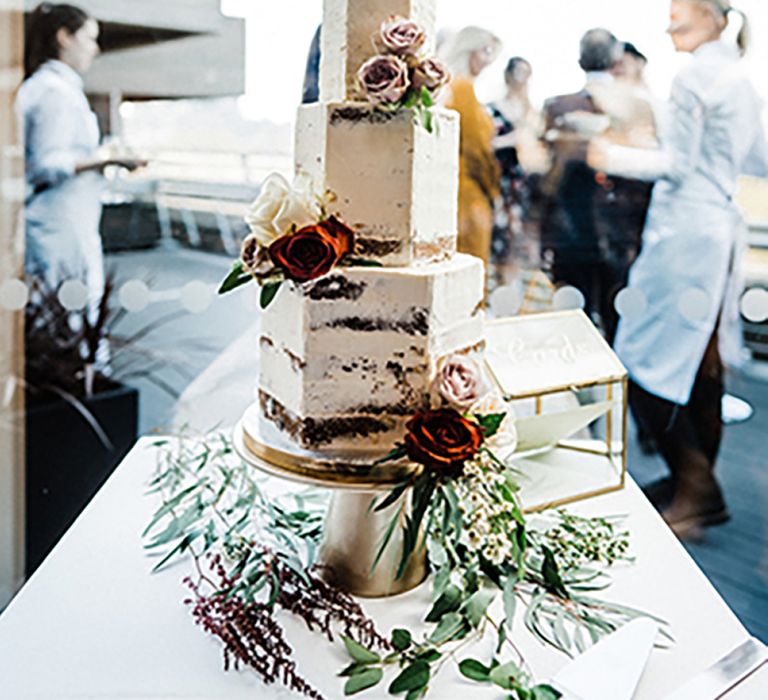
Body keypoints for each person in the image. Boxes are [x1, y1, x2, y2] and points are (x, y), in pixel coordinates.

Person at [594, 0, 768, 537]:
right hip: (717, 232)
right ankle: (689, 482)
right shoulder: (737, 78)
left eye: (680, 11)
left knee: (642, 359)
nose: (669, 21)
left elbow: (678, 166)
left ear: (715, 16)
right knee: (702, 363)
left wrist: (605, 154)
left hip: (684, 237)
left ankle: (695, 489)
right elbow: (755, 160)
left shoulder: (694, 75)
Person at [17, 3, 144, 314]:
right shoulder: (52, 92)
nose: (95, 49)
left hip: (67, 222)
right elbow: (45, 164)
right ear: (64, 37)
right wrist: (105, 160)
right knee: (68, 316)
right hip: (58, 224)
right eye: (89, 38)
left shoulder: (56, 88)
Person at [540, 28, 656, 342]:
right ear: (617, 60)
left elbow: (545, 178)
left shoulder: (557, 107)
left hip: (570, 233)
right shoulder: (639, 106)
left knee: (571, 321)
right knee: (619, 321)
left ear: (579, 61)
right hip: (622, 235)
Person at [439, 27, 502, 269]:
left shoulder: (453, 88)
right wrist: (493, 187)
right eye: (484, 51)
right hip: (469, 193)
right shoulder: (462, 88)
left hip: (457, 188)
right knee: (471, 267)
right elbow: (476, 148)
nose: (488, 60)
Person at [488, 57, 543, 282]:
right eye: (519, 73)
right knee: (500, 237)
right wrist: (512, 140)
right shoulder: (494, 108)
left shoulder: (532, 111)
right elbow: (485, 143)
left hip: (524, 184)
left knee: (519, 240)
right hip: (501, 181)